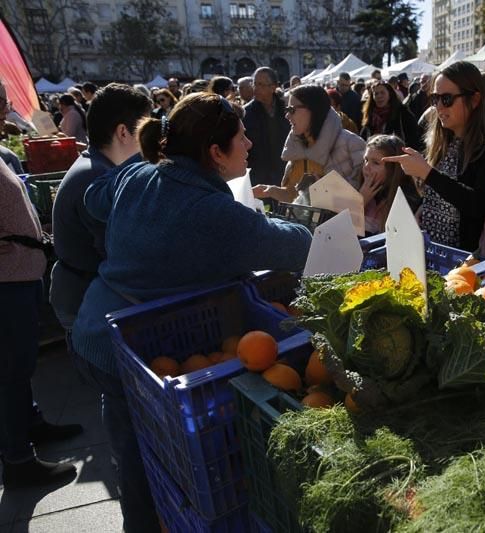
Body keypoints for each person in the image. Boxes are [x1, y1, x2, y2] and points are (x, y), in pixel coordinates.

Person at [70, 93, 312, 532]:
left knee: (133, 443)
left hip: (96, 331)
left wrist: (136, 179)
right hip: (126, 350)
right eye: (242, 138)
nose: (250, 144)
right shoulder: (214, 214)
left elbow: (93, 199)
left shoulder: (141, 174)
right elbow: (296, 244)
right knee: (149, 458)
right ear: (215, 153)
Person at [0, 158, 83, 490]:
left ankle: (29, 424)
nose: (5, 106)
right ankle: (18, 459)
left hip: (19, 276)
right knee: (10, 371)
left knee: (18, 367)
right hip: (7, 282)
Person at [384, 61, 485, 256]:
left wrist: (427, 173)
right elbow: (442, 192)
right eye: (435, 99)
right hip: (434, 253)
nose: (438, 106)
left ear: (474, 99)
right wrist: (424, 203)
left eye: (446, 99)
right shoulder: (444, 139)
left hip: (473, 262)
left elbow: (479, 204)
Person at [51, 83, 151, 332]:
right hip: (85, 302)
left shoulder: (96, 166)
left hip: (81, 293)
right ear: (124, 133)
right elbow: (117, 255)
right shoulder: (97, 178)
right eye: (145, 130)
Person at [252, 84, 366, 204]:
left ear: (313, 109)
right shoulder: (296, 148)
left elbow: (362, 201)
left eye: (291, 109)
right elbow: (296, 198)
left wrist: (325, 192)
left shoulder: (352, 144)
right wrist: (272, 191)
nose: (287, 115)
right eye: (287, 110)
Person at [358, 134, 421, 235]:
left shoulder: (407, 199)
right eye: (366, 160)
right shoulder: (361, 190)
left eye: (375, 163)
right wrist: (359, 202)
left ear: (393, 169)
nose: (366, 167)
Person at [243, 67, 291, 186]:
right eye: (254, 84)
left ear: (273, 87)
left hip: (285, 172)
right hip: (258, 177)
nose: (256, 88)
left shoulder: (287, 109)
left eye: (260, 84)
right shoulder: (246, 113)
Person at [360, 80, 422, 151]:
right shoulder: (370, 116)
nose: (379, 96)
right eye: (376, 94)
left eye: (382, 93)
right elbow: (363, 139)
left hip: (397, 157)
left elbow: (414, 138)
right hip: (375, 157)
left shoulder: (402, 113)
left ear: (390, 94)